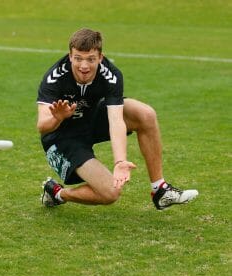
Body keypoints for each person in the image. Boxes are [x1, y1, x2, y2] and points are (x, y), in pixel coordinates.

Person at [36, 28, 198, 210]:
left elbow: (116, 120)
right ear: (70, 56)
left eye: (90, 59)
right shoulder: (54, 78)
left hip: (91, 121)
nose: (84, 66)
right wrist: (57, 118)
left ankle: (159, 189)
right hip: (63, 137)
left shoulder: (111, 76)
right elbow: (42, 126)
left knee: (145, 114)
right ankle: (57, 193)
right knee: (110, 193)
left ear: (100, 57)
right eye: (78, 58)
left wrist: (120, 161)